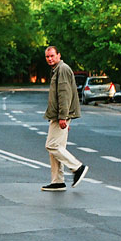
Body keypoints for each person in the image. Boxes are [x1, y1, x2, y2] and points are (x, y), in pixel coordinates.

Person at [42, 46, 89, 191]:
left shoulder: (62, 69)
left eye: (52, 56)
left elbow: (64, 95)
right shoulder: (58, 69)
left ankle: (77, 167)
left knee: (51, 145)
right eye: (47, 57)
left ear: (58, 55)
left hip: (60, 115)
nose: (50, 59)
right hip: (58, 115)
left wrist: (64, 117)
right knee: (57, 147)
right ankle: (57, 181)